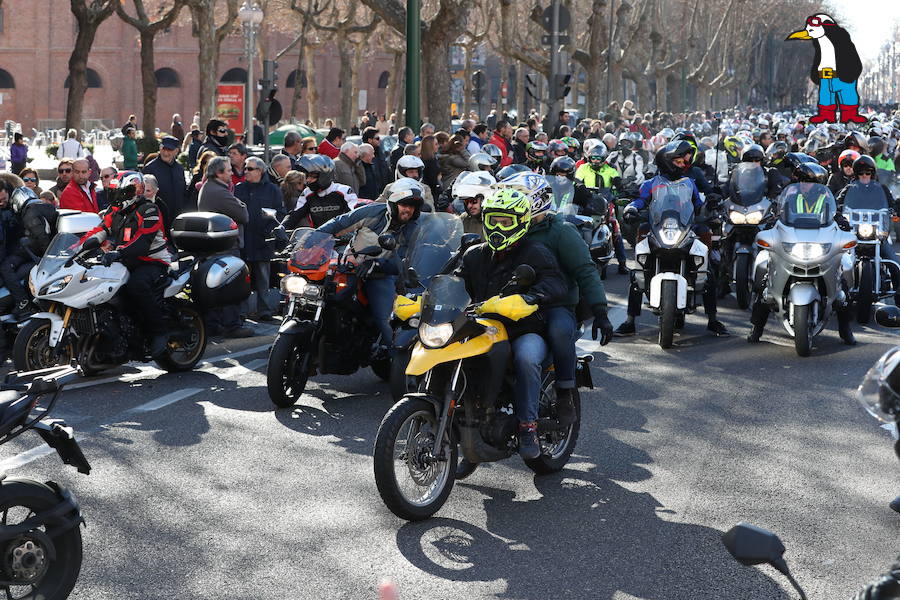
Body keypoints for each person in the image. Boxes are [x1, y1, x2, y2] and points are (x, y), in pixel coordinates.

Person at [455, 188, 568, 458]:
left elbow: (556, 283)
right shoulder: (474, 254)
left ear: (521, 222)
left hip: (524, 329)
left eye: (505, 221)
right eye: (493, 219)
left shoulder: (535, 252)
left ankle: (528, 426)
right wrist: (421, 297)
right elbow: (453, 280)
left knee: (527, 359)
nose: (497, 226)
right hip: (482, 326)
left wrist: (530, 297)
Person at [615, 142, 728, 336]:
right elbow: (640, 200)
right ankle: (629, 321)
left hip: (684, 228)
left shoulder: (689, 183)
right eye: (678, 160)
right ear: (666, 162)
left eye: (683, 160)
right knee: (636, 275)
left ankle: (713, 319)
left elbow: (698, 206)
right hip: (658, 229)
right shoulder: (651, 183)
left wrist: (711, 204)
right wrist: (632, 208)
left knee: (707, 273)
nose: (683, 164)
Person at [316, 178, 424, 352]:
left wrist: (377, 263)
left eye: (412, 206)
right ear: (393, 203)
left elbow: (405, 262)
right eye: (404, 204)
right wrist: (311, 240)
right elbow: (339, 223)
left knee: (384, 318)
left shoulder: (414, 229)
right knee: (314, 293)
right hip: (350, 265)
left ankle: (395, 357)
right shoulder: (372, 212)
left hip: (381, 274)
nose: (408, 210)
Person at [80, 172, 173, 358]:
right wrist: (79, 248)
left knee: (135, 286)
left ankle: (159, 331)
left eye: (119, 193)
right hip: (125, 260)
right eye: (113, 192)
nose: (115, 197)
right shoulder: (114, 211)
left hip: (152, 261)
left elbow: (142, 242)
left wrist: (118, 253)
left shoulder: (149, 210)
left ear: (132, 192)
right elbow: (100, 230)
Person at [197, 156, 253, 339]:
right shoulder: (219, 192)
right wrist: (241, 203)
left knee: (216, 287)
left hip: (215, 245)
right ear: (218, 173)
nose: (231, 173)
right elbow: (243, 214)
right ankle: (232, 325)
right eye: (228, 170)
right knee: (231, 287)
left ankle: (214, 324)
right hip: (225, 246)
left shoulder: (210, 187)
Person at [234, 156, 284, 321]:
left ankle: (265, 310)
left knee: (263, 276)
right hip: (244, 240)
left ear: (260, 171)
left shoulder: (272, 190)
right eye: (245, 168)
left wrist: (269, 231)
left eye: (249, 169)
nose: (245, 172)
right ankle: (241, 311)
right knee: (242, 278)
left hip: (263, 240)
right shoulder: (239, 188)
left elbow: (280, 212)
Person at [2, 184, 57, 319]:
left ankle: (22, 302)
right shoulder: (43, 207)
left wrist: (48, 260)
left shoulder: (30, 211)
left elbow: (41, 236)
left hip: (32, 250)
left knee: (5, 267)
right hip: (36, 250)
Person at [282, 155, 356, 229]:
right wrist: (282, 227)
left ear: (324, 175)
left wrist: (348, 231)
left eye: (312, 176)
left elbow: (354, 215)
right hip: (318, 237)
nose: (308, 180)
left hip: (342, 236)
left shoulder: (344, 191)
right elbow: (295, 215)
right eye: (307, 176)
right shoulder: (307, 193)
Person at [142, 136, 186, 229]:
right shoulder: (150, 168)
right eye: (163, 149)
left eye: (169, 150)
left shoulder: (179, 169)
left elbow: (182, 191)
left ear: (176, 151)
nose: (166, 153)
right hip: (157, 218)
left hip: (177, 218)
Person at [450, 171, 493, 235]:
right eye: (466, 202)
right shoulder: (464, 218)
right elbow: (453, 239)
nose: (469, 206)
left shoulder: (495, 221)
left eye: (473, 201)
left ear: (485, 199)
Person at [419, 134, 442, 200]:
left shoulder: (422, 159)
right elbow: (432, 181)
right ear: (429, 146)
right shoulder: (431, 161)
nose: (438, 146)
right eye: (436, 144)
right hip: (431, 193)